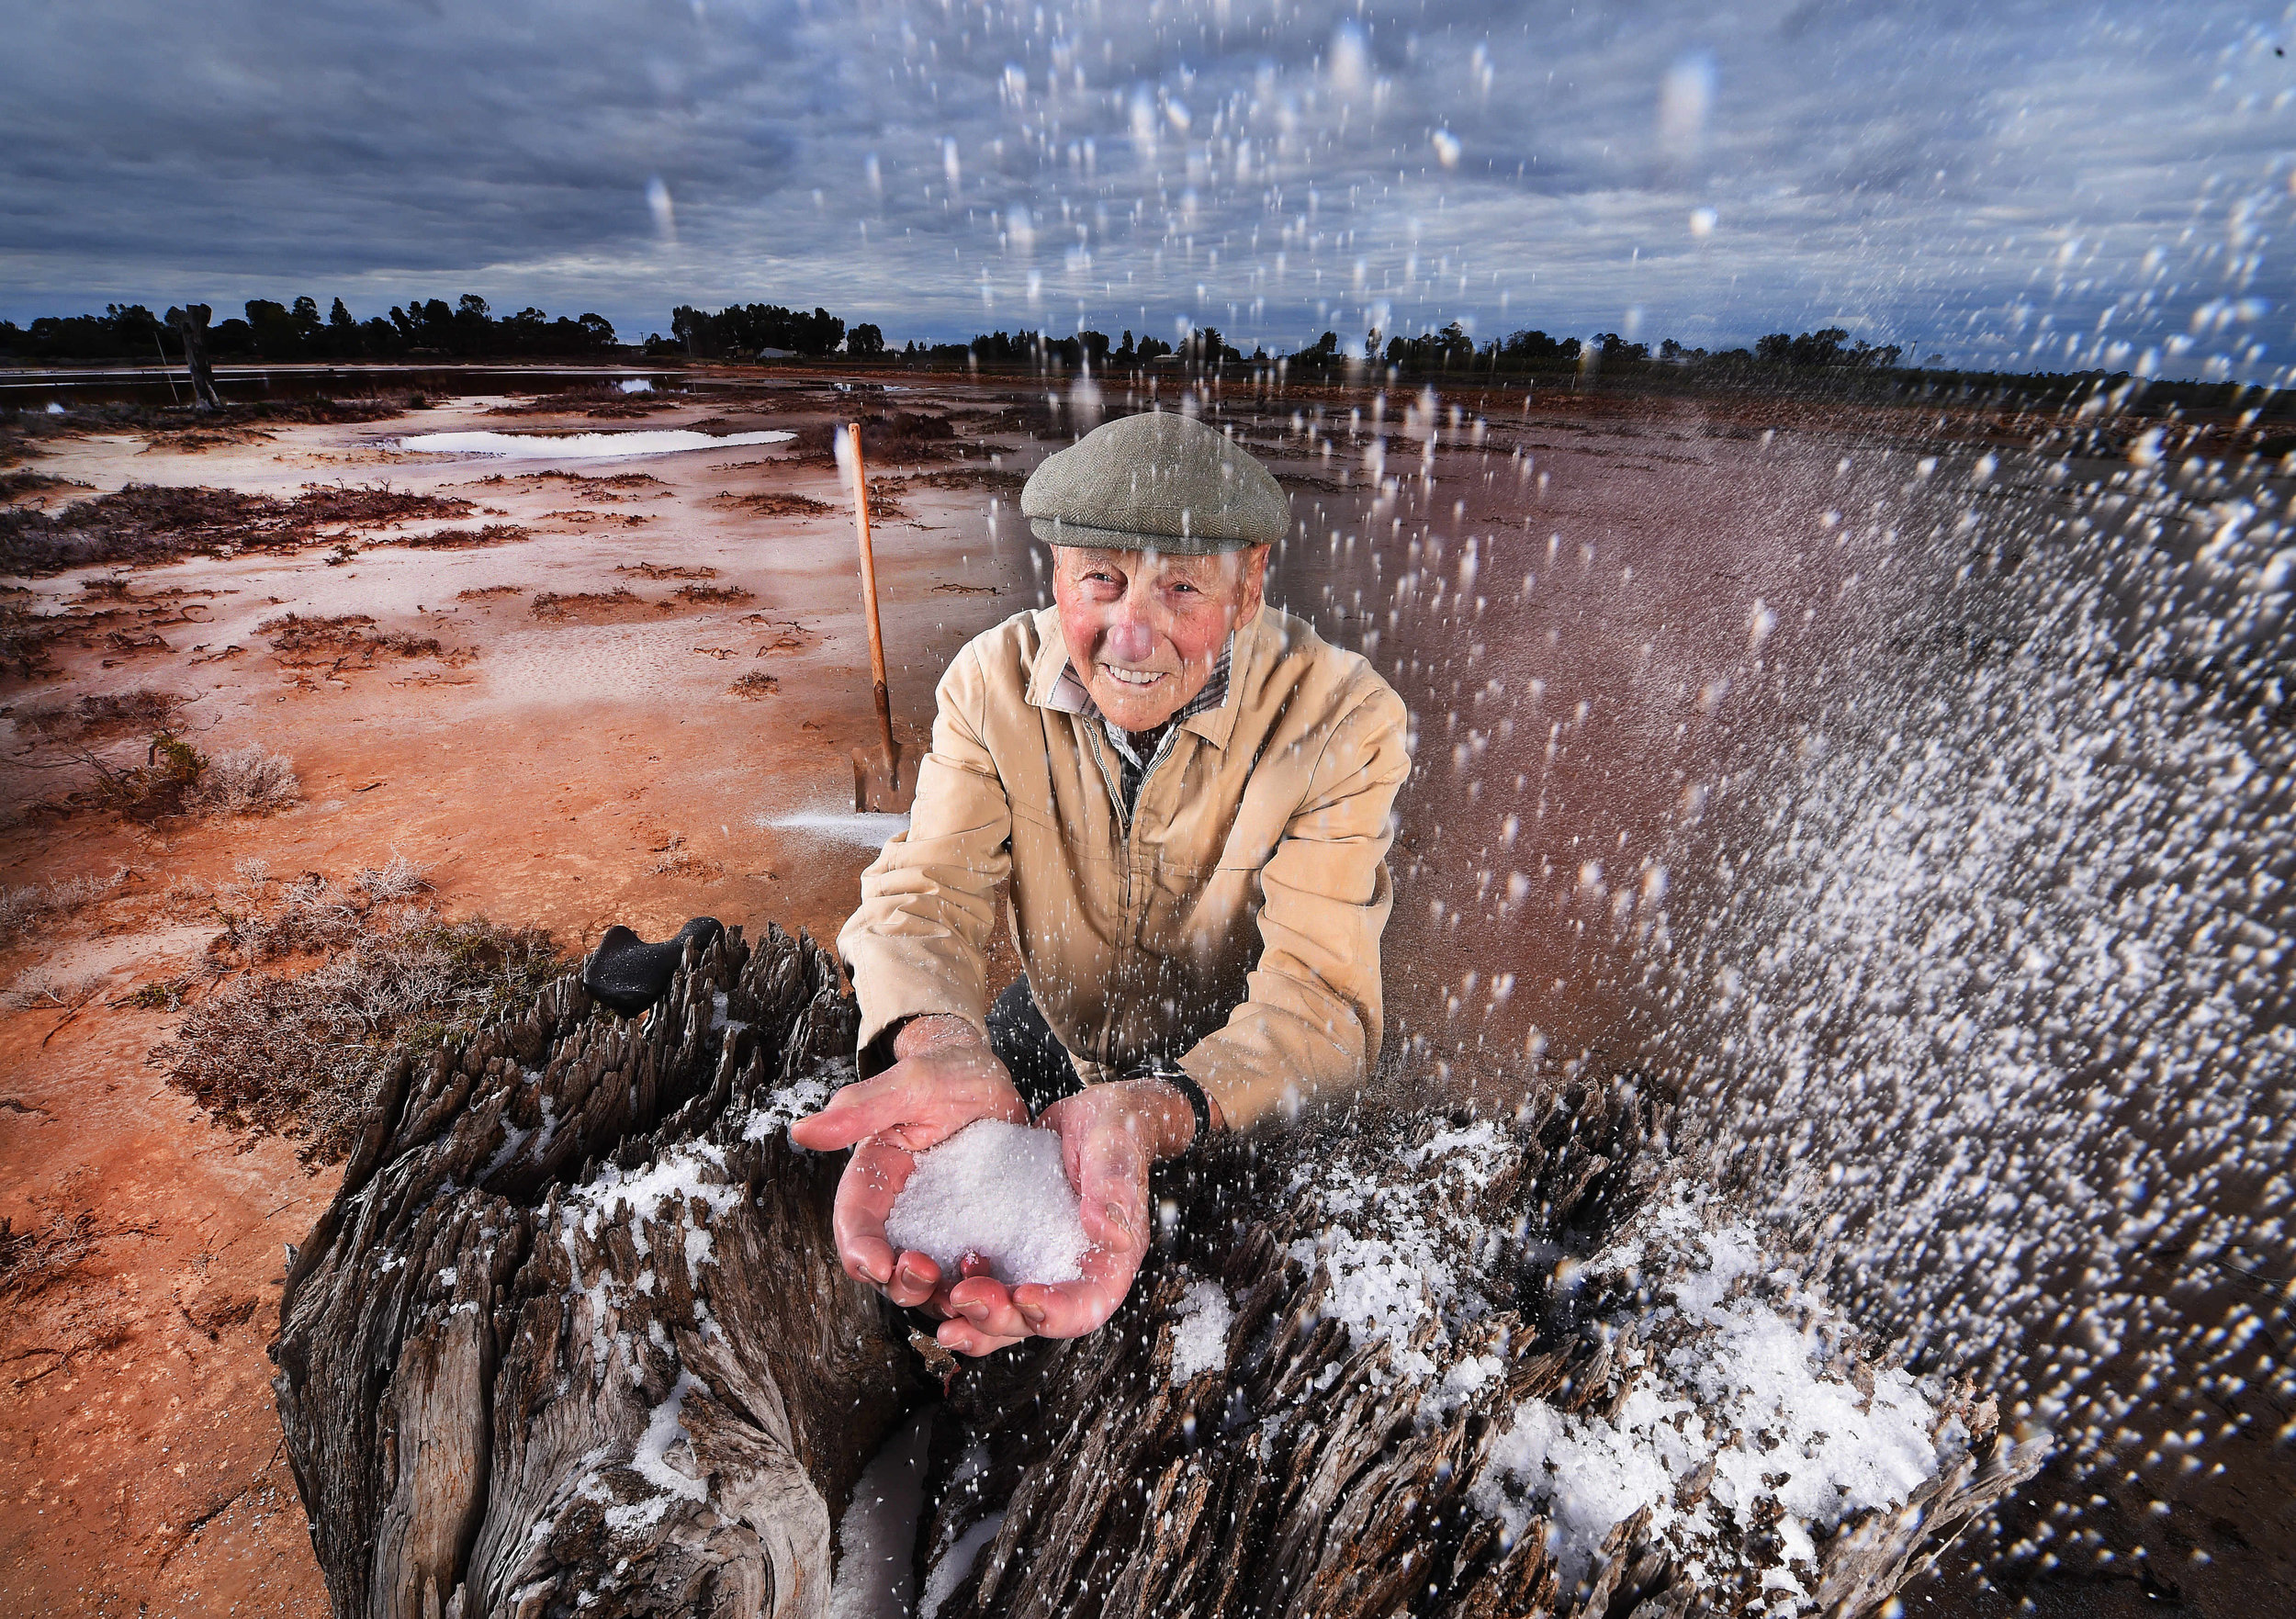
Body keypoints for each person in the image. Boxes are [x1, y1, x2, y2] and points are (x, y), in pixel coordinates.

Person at [790, 410, 1409, 1356]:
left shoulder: (1340, 715)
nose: (1132, 632)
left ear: (1247, 588)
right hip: (1065, 1032)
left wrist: (1162, 1107)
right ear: (1056, 574)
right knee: (928, 1230)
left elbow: (1320, 1002)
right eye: (1102, 579)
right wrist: (939, 1039)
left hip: (1228, 1092)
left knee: (1219, 1332)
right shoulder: (987, 684)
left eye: (1182, 587)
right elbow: (926, 890)